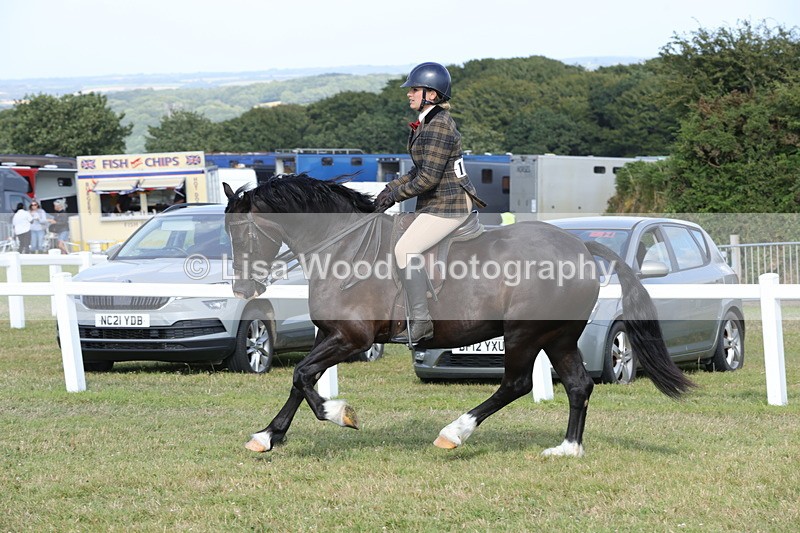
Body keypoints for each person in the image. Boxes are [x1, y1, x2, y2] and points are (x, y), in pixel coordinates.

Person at [374, 62, 486, 342]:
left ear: (432, 95)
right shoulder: (427, 122)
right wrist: (388, 189)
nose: (409, 94)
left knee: (405, 250)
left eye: (414, 89)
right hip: (436, 202)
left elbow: (427, 180)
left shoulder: (439, 127)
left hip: (448, 205)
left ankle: (422, 322)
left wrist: (395, 196)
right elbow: (417, 171)